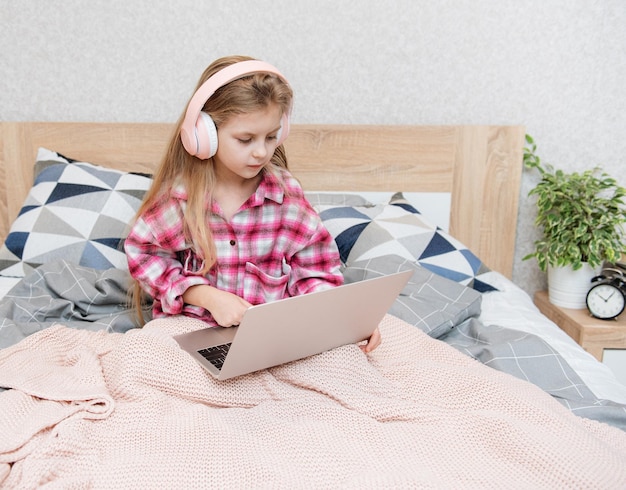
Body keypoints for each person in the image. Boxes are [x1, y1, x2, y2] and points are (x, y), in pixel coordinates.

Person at [124, 55, 382, 352]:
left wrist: (345, 319)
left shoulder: (286, 196)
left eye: (271, 137)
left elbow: (315, 272)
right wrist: (204, 295)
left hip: (269, 340)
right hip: (191, 329)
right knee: (143, 358)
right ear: (204, 135)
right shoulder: (181, 197)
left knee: (345, 367)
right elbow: (144, 253)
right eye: (245, 139)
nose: (261, 152)